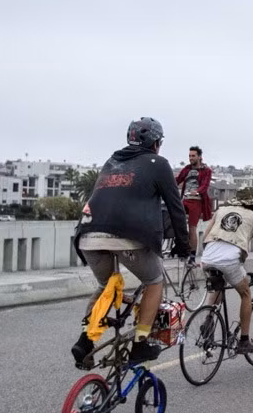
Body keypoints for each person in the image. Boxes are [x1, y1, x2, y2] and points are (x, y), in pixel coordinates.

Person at [71, 117, 189, 365]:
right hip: (128, 237)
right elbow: (176, 208)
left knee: (106, 285)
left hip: (88, 235)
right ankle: (141, 343)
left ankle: (85, 341)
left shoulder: (111, 162)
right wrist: (183, 244)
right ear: (156, 143)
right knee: (154, 281)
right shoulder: (158, 163)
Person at [200, 187, 253, 354]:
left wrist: (207, 256)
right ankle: (244, 340)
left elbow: (205, 236)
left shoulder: (221, 210)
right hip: (229, 260)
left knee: (218, 285)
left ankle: (208, 319)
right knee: (246, 294)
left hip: (208, 256)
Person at [176, 146, 213, 264]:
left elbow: (205, 186)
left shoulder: (206, 170)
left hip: (196, 201)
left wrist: (196, 191)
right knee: (176, 221)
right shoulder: (186, 169)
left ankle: (192, 256)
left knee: (192, 228)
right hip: (184, 199)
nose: (191, 158)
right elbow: (177, 180)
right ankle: (179, 248)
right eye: (189, 156)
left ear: (199, 157)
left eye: (193, 156)